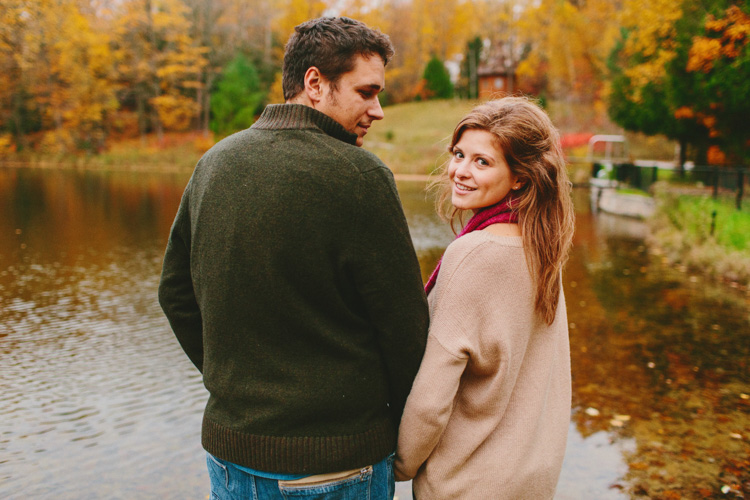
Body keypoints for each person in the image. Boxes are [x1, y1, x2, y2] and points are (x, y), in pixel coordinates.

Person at [158, 16, 429, 500]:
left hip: (229, 456)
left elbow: (176, 293)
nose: (379, 110)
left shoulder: (214, 162)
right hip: (334, 464)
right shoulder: (360, 176)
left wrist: (235, 384)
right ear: (315, 84)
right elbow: (404, 330)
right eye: (367, 92)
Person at [394, 96, 575, 499]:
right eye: (459, 154)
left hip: (468, 485)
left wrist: (399, 463)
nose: (459, 171)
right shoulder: (543, 247)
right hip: (531, 480)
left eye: (482, 162)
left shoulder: (475, 253)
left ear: (520, 178)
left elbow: (431, 397)